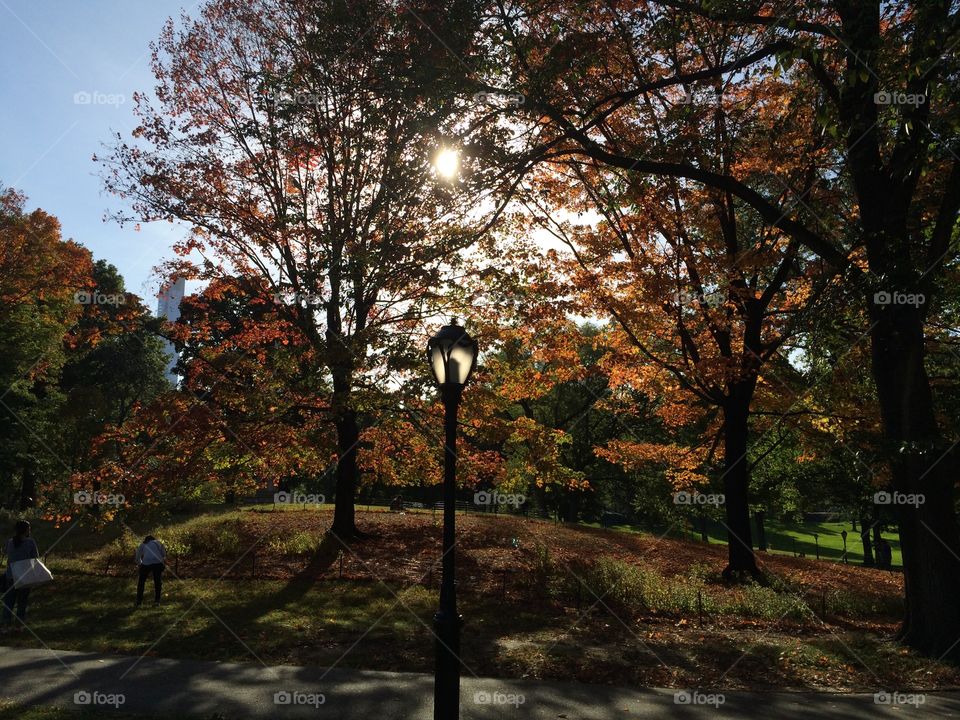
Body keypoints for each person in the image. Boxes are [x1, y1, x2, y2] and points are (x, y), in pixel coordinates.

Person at [3, 520, 39, 629]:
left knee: (9, 601)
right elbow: (35, 558)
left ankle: (5, 624)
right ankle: (18, 625)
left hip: (11, 575)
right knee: (22, 602)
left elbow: (8, 555)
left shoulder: (10, 542)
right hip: (24, 575)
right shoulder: (30, 542)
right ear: (26, 530)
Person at [135, 535, 166, 606]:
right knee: (157, 581)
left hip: (146, 563)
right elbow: (164, 554)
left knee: (141, 582)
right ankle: (157, 601)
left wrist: (140, 564)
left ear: (146, 540)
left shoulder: (143, 544)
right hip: (158, 563)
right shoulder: (158, 543)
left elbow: (137, 557)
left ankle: (139, 601)